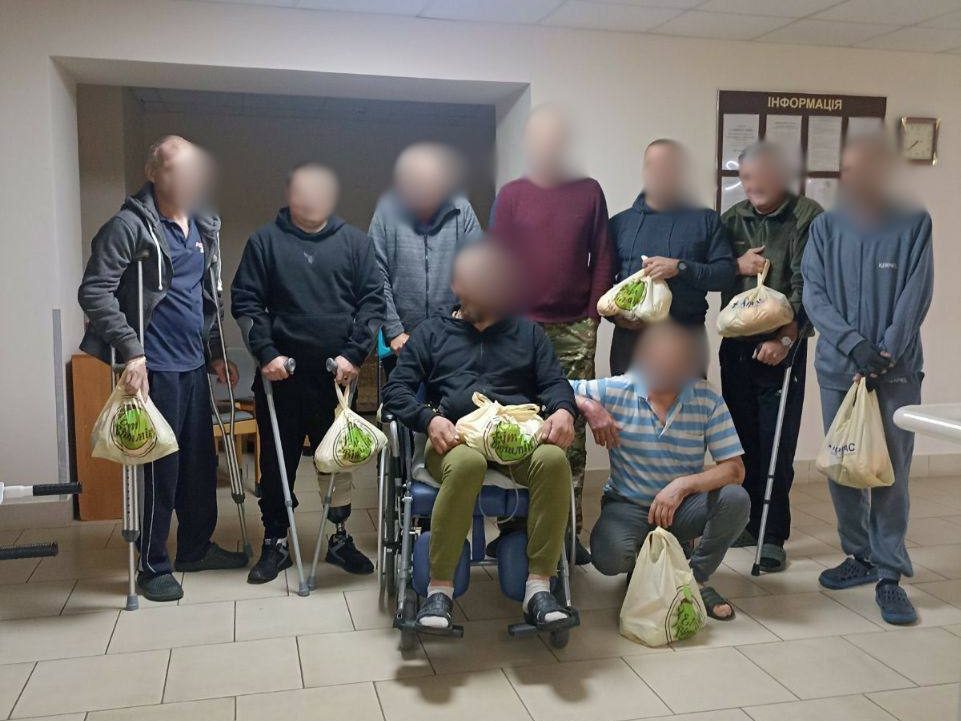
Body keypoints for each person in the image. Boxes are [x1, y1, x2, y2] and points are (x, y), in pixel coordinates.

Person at [78, 135, 246, 602]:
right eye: (176, 169)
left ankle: (195, 547)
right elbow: (94, 291)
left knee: (199, 465)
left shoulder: (203, 225)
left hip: (193, 366)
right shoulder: (129, 226)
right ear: (153, 173)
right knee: (160, 468)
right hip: (153, 370)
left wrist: (215, 352)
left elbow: (204, 298)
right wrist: (132, 352)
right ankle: (152, 563)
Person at [382, 241, 578, 633]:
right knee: (468, 463)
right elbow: (396, 391)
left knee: (553, 460)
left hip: (516, 439)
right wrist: (428, 420)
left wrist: (563, 410)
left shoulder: (528, 334)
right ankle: (439, 592)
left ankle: (539, 588)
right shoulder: (432, 333)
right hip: (455, 439)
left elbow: (555, 384)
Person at [802, 135, 933, 625]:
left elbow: (917, 293)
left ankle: (889, 574)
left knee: (890, 471)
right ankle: (858, 555)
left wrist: (885, 351)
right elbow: (814, 293)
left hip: (895, 372)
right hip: (839, 368)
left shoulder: (914, 223)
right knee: (843, 464)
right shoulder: (825, 227)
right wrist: (852, 344)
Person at [231, 162, 383, 583]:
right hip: (281, 377)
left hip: (336, 379)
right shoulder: (265, 242)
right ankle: (276, 540)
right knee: (276, 464)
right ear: (289, 194)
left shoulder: (355, 243)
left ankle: (339, 537)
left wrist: (355, 355)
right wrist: (266, 354)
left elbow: (372, 302)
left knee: (338, 460)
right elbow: (246, 302)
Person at [489, 105, 615, 561]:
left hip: (575, 328)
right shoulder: (512, 195)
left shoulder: (589, 192)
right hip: (518, 329)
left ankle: (567, 532)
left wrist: (593, 316)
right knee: (518, 425)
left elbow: (603, 255)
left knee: (570, 430)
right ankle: (514, 530)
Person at [574, 322, 748, 621]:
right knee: (610, 558)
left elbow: (734, 470)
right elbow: (554, 387)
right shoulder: (617, 389)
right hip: (628, 505)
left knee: (735, 499)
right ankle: (647, 569)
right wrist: (589, 408)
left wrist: (682, 486)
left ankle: (694, 579)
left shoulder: (706, 398)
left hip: (682, 507)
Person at [719, 142, 822, 572]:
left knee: (776, 443)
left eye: (760, 176)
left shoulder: (806, 217)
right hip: (737, 348)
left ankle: (773, 533)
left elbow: (808, 285)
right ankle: (747, 523)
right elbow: (712, 270)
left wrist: (785, 339)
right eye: (745, 178)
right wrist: (735, 265)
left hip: (781, 347)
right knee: (741, 442)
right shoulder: (732, 219)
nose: (752, 185)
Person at [608, 139, 736, 374]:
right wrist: (615, 318)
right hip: (630, 343)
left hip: (685, 342)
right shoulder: (620, 224)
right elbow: (602, 281)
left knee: (688, 400)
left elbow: (725, 275)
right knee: (624, 401)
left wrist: (681, 268)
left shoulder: (705, 220)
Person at [369, 142, 482, 373]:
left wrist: (462, 320)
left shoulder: (462, 211)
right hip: (401, 342)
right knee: (404, 395)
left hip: (455, 338)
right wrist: (394, 331)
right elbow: (375, 274)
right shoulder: (386, 213)